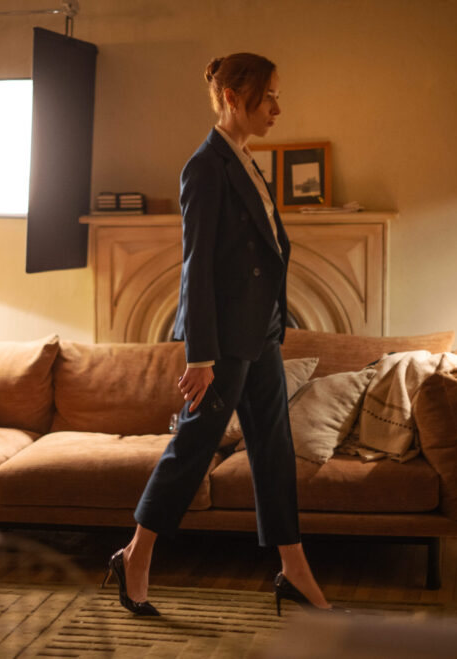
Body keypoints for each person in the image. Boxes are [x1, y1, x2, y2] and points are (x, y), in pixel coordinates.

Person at [106, 53, 338, 616]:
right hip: (226, 343)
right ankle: (136, 556)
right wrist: (201, 355)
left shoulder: (247, 161)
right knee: (193, 447)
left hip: (261, 334)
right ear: (233, 97)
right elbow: (197, 264)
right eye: (269, 96)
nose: (277, 107)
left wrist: (276, 322)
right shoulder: (205, 166)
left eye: (278, 96)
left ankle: (294, 569)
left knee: (274, 452)